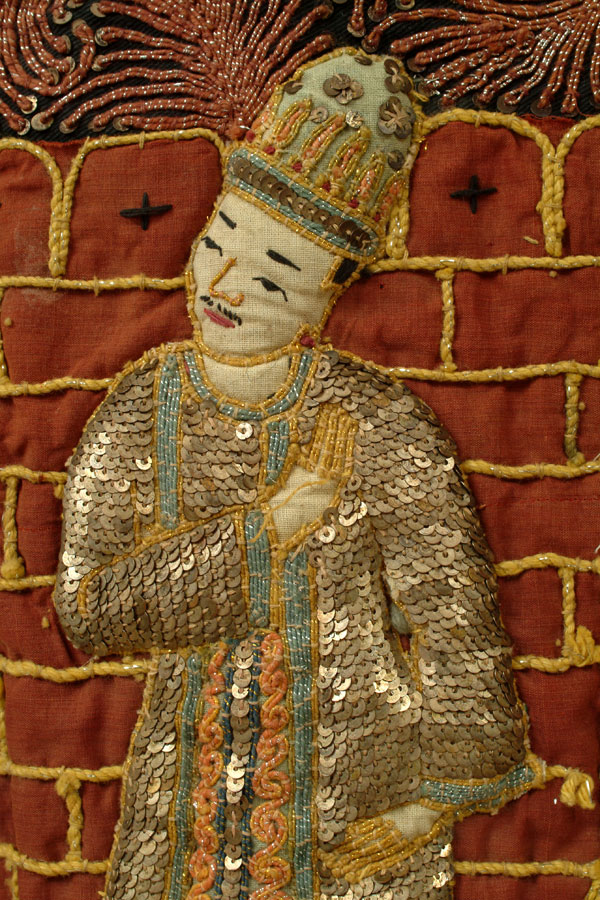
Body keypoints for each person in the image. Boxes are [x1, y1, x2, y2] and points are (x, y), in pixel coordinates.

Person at [54, 48, 543, 900]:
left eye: (273, 275)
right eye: (216, 243)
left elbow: (456, 625)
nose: (224, 284)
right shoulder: (141, 406)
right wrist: (267, 530)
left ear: (329, 290)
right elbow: (87, 611)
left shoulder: (380, 421)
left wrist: (425, 809)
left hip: (360, 813)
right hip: (181, 812)